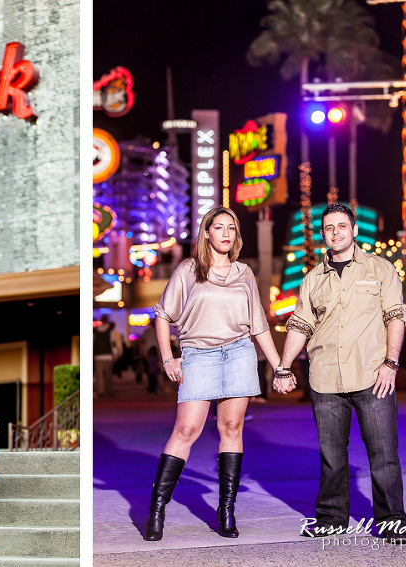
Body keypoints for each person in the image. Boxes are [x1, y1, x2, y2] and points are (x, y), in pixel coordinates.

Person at [143, 206, 294, 541]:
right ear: (207, 232)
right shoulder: (189, 269)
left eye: (231, 228)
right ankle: (156, 508)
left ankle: (226, 510)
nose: (226, 233)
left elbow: (259, 326)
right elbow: (163, 314)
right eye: (219, 227)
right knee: (186, 429)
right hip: (198, 355)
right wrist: (169, 358)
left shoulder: (244, 273)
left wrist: (280, 367)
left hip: (239, 354)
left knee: (231, 427)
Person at [276, 203, 406, 542]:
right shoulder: (312, 279)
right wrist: (283, 365)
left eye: (341, 225)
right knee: (331, 456)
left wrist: (391, 364)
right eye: (329, 227)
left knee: (383, 456)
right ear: (323, 234)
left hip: (372, 377)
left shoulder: (380, 269)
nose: (335, 231)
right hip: (325, 379)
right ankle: (332, 518)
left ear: (353, 229)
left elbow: (395, 316)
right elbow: (301, 324)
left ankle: (392, 521)